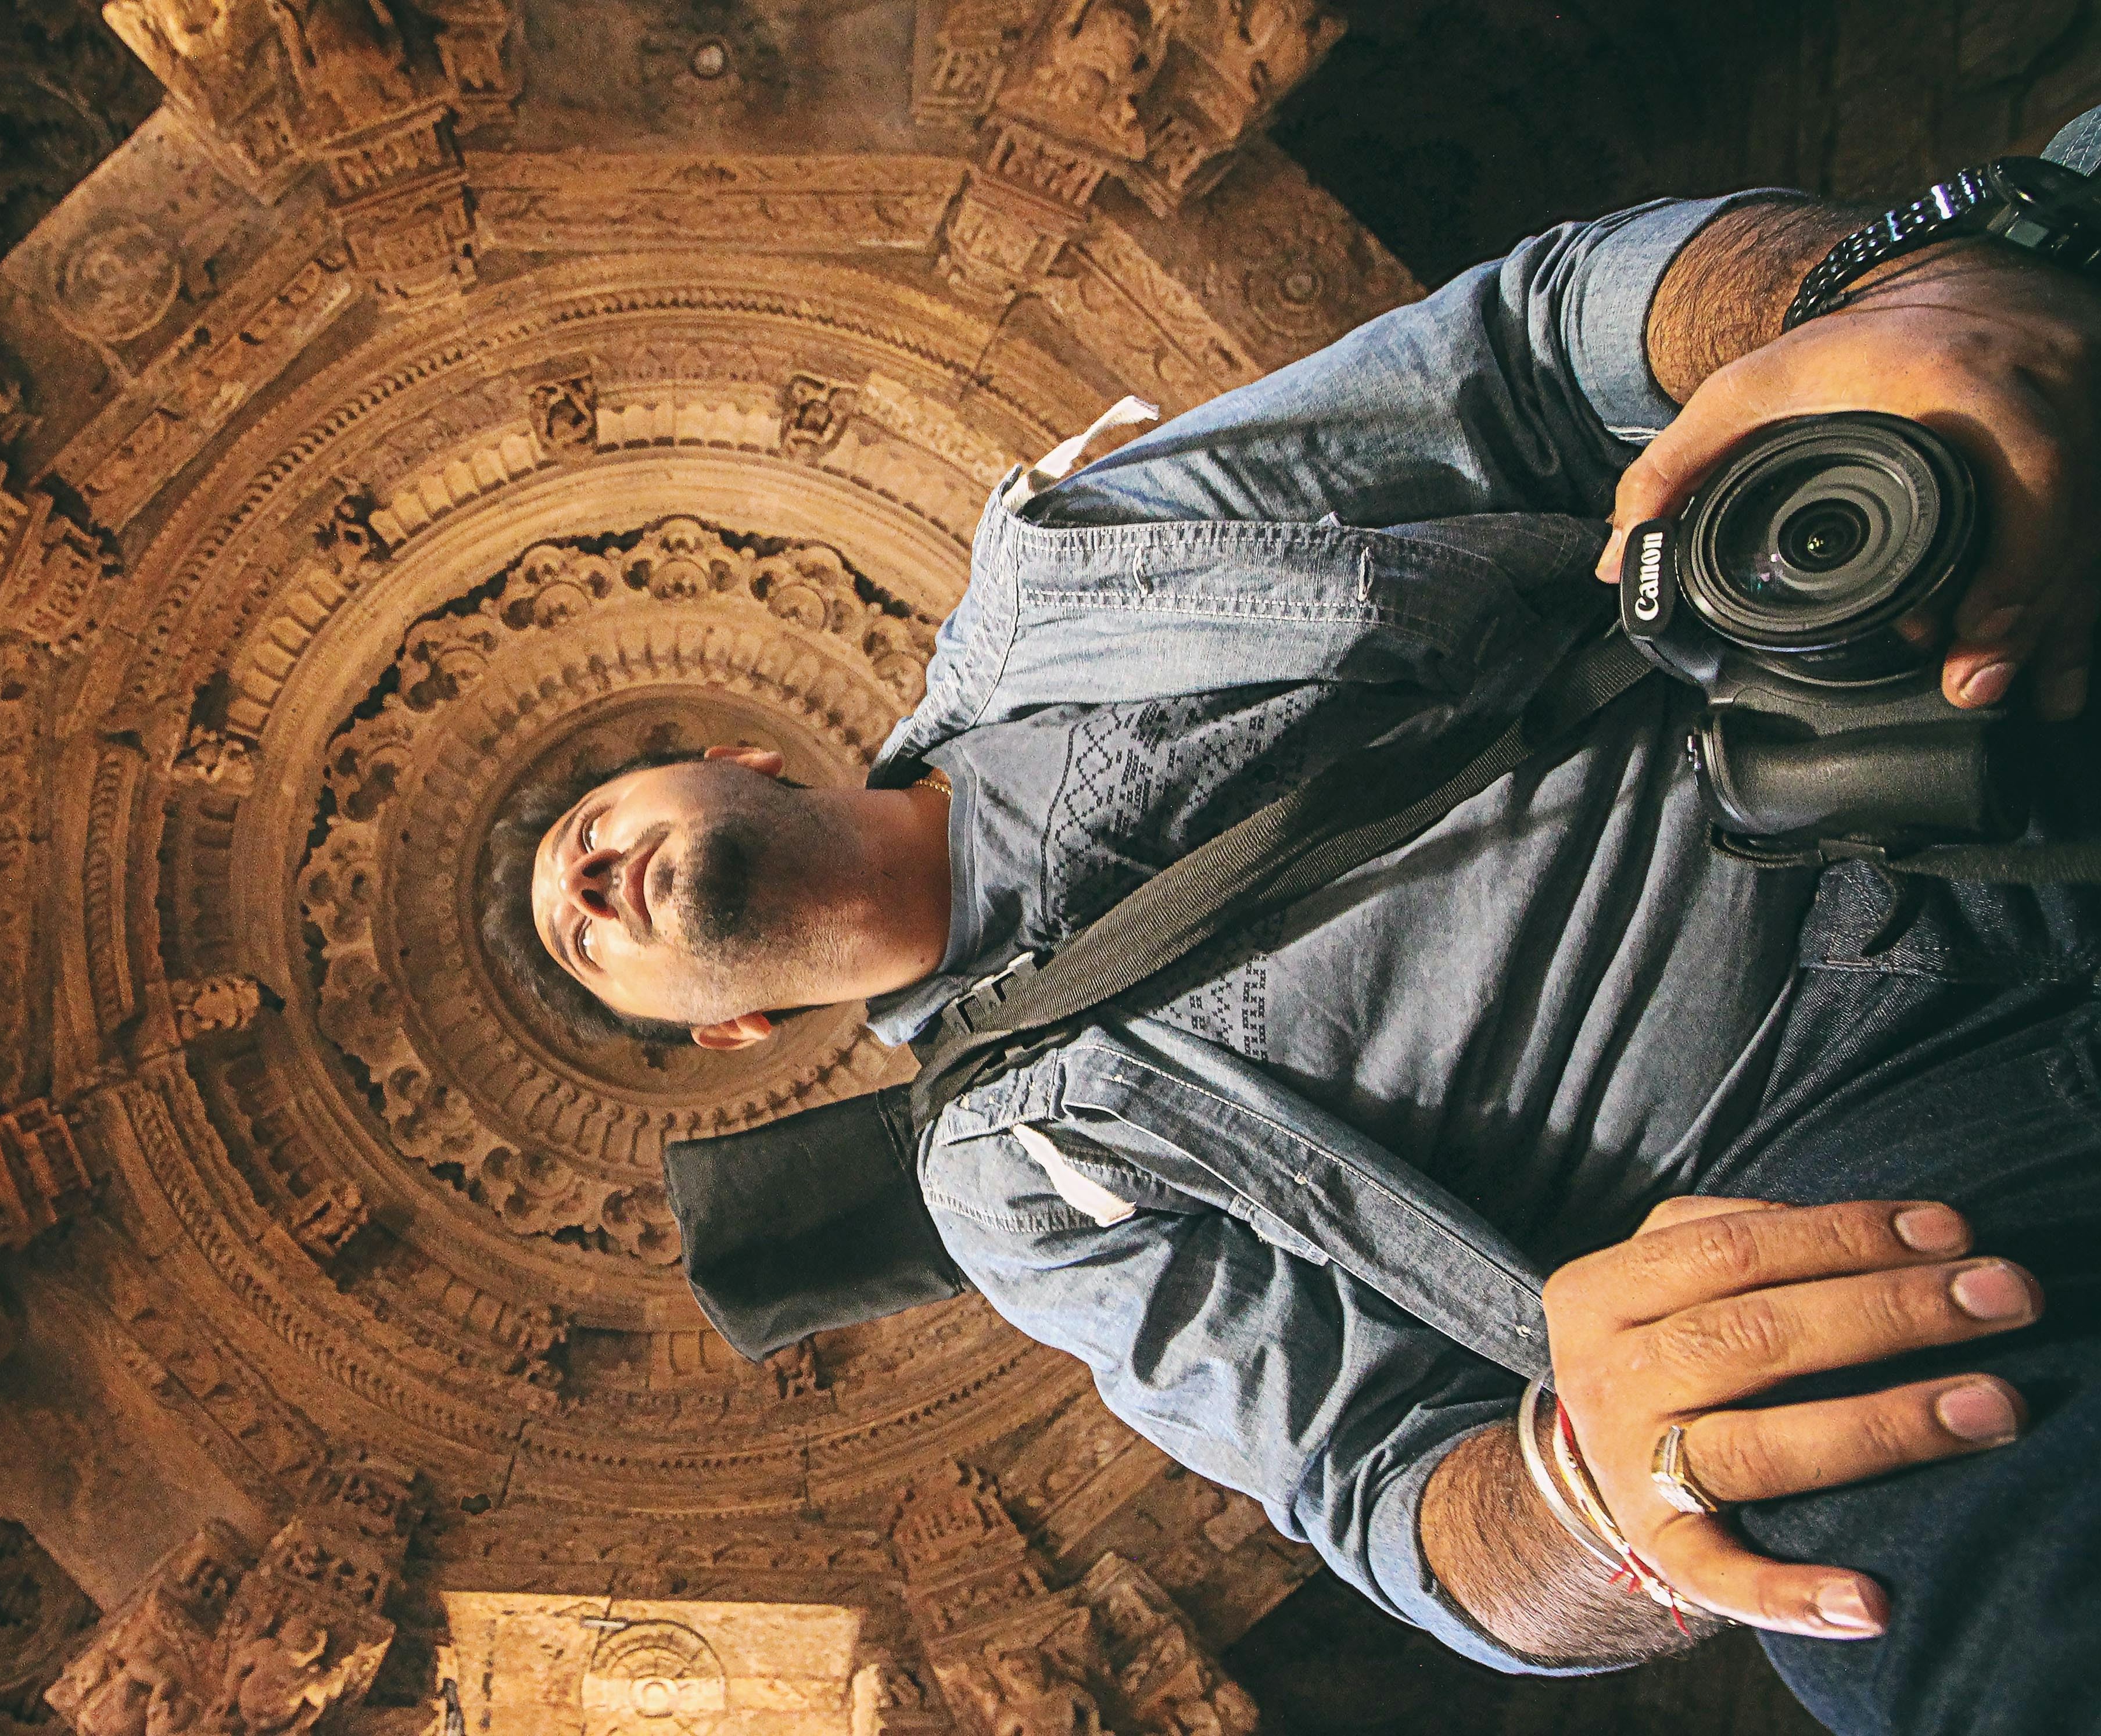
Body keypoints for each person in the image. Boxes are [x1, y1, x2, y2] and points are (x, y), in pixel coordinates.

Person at [481, 122, 2101, 1735]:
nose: (587, 887)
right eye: (582, 941)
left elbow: (1525, 353)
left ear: (743, 756)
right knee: (1941, 1629)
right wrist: (1603, 1484)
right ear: (734, 1032)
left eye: (585, 832)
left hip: (1918, 651)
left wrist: (1890, 294)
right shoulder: (1018, 1201)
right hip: (1862, 1162)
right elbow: (1380, 1484)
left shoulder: (1064, 576)